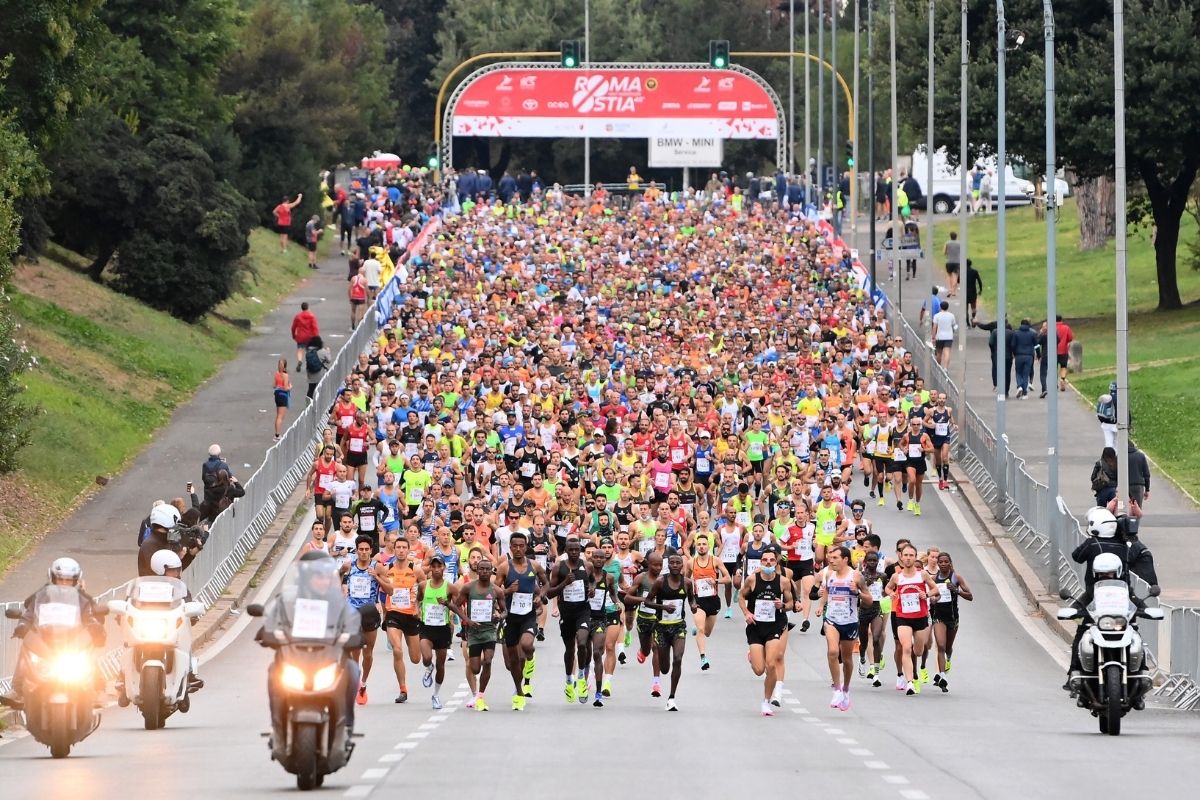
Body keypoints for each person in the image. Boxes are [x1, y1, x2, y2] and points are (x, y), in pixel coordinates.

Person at [1, 557, 107, 708]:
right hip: (45, 641)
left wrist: (96, 628)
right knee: (26, 649)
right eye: (60, 579)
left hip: (73, 642)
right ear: (52, 578)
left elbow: (91, 617)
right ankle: (17, 689)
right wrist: (23, 625)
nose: (64, 583)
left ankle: (97, 689)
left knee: (88, 653)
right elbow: (29, 613)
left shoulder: (83, 599)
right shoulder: (41, 596)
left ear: (76, 580)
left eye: (68, 580)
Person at [815, 545, 875, 711]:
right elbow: (826, 590)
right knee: (833, 652)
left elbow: (869, 600)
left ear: (845, 559)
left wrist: (857, 593)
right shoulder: (829, 574)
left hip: (849, 621)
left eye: (835, 558)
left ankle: (846, 689)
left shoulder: (855, 576)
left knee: (847, 660)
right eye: (831, 558)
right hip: (832, 619)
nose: (831, 561)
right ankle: (837, 689)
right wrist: (821, 605)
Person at [495, 532, 547, 710]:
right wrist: (508, 590)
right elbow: (495, 591)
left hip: (528, 616)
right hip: (510, 617)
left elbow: (545, 584)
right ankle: (518, 692)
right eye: (514, 546)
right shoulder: (504, 567)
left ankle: (530, 657)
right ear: (510, 547)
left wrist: (541, 596)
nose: (518, 549)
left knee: (526, 645)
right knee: (512, 663)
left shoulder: (534, 566)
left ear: (526, 547)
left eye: (521, 546)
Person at [738, 544, 792, 717]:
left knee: (771, 663)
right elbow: (741, 596)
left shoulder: (783, 581)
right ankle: (753, 656)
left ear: (776, 562)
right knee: (759, 669)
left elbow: (790, 604)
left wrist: (782, 605)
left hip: (774, 626)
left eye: (771, 560)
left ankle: (766, 702)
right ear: (760, 562)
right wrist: (746, 613)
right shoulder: (752, 579)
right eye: (764, 560)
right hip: (755, 627)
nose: (768, 563)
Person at [375, 536, 425, 703]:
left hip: (410, 615)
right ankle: (403, 689)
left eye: (404, 547)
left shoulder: (415, 569)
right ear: (394, 550)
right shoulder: (386, 568)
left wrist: (418, 604)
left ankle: (427, 663)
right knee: (397, 649)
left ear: (408, 550)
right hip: (393, 613)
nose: (402, 550)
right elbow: (374, 577)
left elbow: (424, 585)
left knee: (416, 659)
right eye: (399, 547)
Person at [643, 552, 695, 711]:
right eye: (671, 562)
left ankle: (672, 697)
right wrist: (663, 607)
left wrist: (693, 605)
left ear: (682, 566)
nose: (674, 565)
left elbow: (692, 599)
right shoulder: (660, 582)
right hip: (662, 627)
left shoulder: (687, 583)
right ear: (668, 565)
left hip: (679, 626)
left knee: (678, 659)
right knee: (665, 668)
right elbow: (647, 601)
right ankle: (663, 675)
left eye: (677, 563)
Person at [451, 557, 504, 711]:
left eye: (487, 569)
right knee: (475, 668)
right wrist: (467, 620)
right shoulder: (468, 588)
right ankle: (478, 691)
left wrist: (499, 616)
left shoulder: (496, 590)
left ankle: (480, 695)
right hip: (473, 632)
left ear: (491, 570)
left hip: (489, 631)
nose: (484, 572)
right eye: (482, 569)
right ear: (477, 570)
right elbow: (456, 606)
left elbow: (504, 610)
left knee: (487, 661)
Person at [885, 543, 938, 695]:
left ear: (915, 557)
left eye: (911, 555)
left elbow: (935, 588)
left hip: (920, 617)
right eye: (905, 555)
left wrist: (926, 595)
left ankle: (914, 669)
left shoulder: (922, 574)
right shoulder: (897, 576)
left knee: (919, 651)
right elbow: (888, 588)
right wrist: (891, 594)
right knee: (906, 648)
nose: (908, 558)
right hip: (903, 617)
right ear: (901, 557)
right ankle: (909, 683)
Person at [417, 554, 458, 710]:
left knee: (441, 664)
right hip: (426, 627)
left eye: (438, 566)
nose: (435, 569)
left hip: (443, 629)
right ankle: (428, 667)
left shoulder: (450, 587)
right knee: (427, 658)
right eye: (433, 566)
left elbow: (457, 603)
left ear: (443, 568)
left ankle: (436, 695)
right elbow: (418, 599)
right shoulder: (423, 585)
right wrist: (417, 610)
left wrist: (449, 606)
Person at [929, 551, 972, 691]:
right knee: (940, 645)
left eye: (945, 561)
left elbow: (970, 596)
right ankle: (942, 676)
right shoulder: (934, 579)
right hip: (938, 617)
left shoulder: (956, 577)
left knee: (947, 647)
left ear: (950, 563)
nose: (942, 564)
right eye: (940, 562)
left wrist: (956, 590)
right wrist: (934, 600)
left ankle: (948, 660)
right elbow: (932, 597)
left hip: (953, 618)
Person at [137, 503, 203, 577]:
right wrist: (179, 556)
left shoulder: (164, 541)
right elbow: (165, 575)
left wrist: (190, 554)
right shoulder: (150, 546)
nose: (177, 527)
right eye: (176, 524)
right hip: (152, 587)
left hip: (165, 587)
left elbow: (175, 572)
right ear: (167, 521)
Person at [290, 302, 320, 373]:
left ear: (302, 308)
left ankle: (300, 361)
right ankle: (308, 364)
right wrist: (316, 338)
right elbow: (315, 328)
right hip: (309, 337)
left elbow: (293, 327)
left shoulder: (298, 316)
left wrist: (294, 336)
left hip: (300, 336)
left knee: (300, 349)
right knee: (309, 351)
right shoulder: (312, 316)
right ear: (308, 307)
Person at [1011, 319, 1037, 399]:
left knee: (1018, 372)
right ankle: (1025, 394)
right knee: (1026, 374)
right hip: (1029, 356)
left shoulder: (1016, 333)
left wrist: (1014, 353)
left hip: (1019, 355)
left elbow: (1013, 345)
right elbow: (1036, 345)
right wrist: (1038, 355)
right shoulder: (1032, 334)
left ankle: (1019, 386)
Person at [304, 335, 332, 402]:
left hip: (311, 373)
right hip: (320, 373)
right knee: (321, 389)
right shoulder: (322, 351)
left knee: (311, 389)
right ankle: (320, 403)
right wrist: (328, 351)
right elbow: (329, 360)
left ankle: (308, 404)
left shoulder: (308, 351)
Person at [931, 300, 957, 369]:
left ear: (940, 307)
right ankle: (945, 368)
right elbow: (954, 326)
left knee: (939, 352)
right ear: (947, 307)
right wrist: (953, 331)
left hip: (939, 336)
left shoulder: (937, 316)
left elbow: (934, 327)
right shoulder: (951, 315)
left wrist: (933, 337)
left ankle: (938, 366)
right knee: (947, 352)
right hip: (949, 336)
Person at [1126, 441, 1152, 510]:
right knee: (1137, 508)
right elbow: (1146, 474)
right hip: (1138, 486)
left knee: (1123, 508)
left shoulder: (1120, 457)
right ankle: (1135, 520)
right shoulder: (1141, 456)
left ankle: (1125, 520)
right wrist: (1147, 489)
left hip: (1124, 486)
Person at [272, 358, 292, 440]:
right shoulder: (285, 375)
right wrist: (290, 387)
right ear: (285, 366)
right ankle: (277, 435)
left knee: (278, 415)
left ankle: (276, 433)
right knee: (281, 416)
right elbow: (286, 388)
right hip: (283, 395)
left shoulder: (276, 374)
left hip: (277, 394)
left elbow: (274, 385)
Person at [964, 259, 984, 326]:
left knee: (965, 309)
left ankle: (967, 323)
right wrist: (980, 290)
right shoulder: (974, 271)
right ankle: (973, 318)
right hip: (973, 292)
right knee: (973, 308)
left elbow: (958, 281)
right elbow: (979, 281)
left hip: (965, 292)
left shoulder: (962, 271)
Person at [349, 266, 368, 330]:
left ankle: (352, 325)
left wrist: (350, 297)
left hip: (354, 297)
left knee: (353, 311)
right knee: (360, 312)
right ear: (363, 272)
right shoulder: (364, 280)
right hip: (361, 298)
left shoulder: (353, 278)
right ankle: (359, 327)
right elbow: (367, 290)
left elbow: (349, 289)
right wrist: (367, 298)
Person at [943, 231, 961, 296]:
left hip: (949, 261)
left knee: (949, 276)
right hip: (957, 262)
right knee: (955, 276)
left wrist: (948, 253)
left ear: (950, 236)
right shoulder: (959, 243)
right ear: (956, 236)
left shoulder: (947, 243)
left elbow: (944, 252)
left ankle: (950, 290)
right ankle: (954, 291)